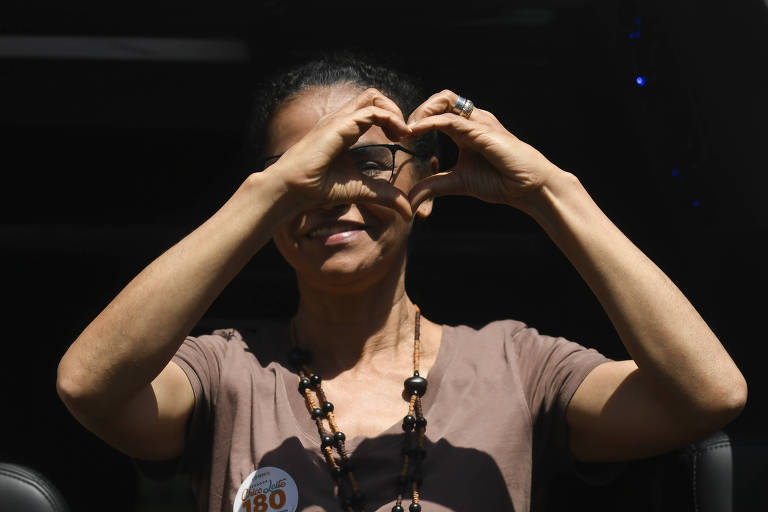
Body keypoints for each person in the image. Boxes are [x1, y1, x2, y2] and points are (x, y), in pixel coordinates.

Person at [56, 54, 747, 512]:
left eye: (372, 162)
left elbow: (708, 395)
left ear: (424, 189)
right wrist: (264, 193)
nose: (334, 193)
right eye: (306, 170)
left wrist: (550, 191)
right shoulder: (224, 370)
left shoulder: (517, 365)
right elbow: (90, 385)